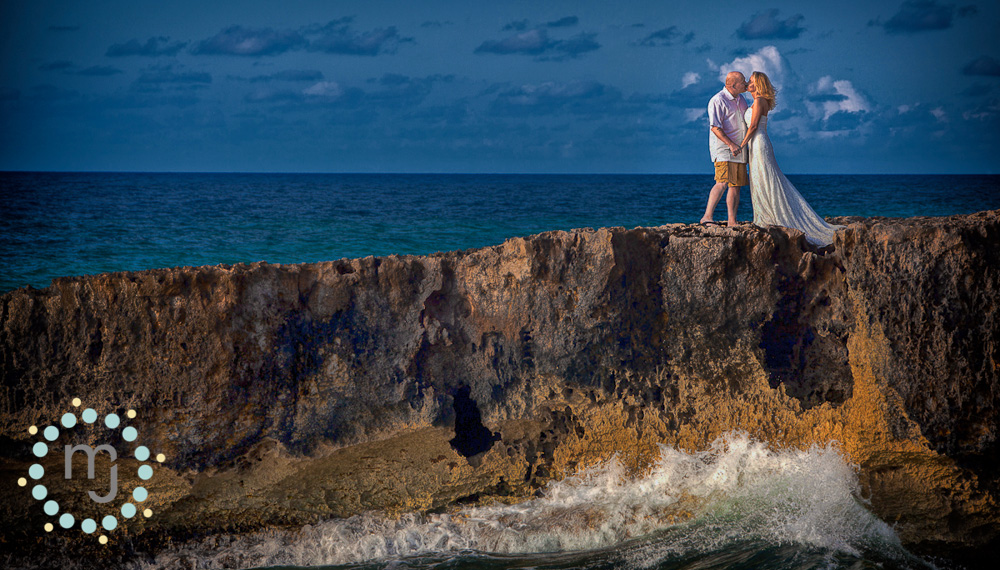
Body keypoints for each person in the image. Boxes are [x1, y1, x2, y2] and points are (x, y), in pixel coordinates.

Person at [738, 71, 843, 247]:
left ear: (758, 84)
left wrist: (741, 145)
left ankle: (771, 215)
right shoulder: (757, 101)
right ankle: (764, 214)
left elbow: (754, 125)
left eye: (752, 80)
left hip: (758, 142)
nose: (748, 82)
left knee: (766, 177)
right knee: (759, 178)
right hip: (755, 143)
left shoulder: (759, 101)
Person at [700, 71, 749, 228]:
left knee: (736, 185)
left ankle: (732, 221)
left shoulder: (741, 99)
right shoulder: (718, 100)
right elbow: (715, 127)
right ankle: (707, 217)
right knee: (721, 182)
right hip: (724, 148)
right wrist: (731, 144)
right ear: (733, 85)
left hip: (739, 150)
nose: (746, 83)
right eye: (743, 81)